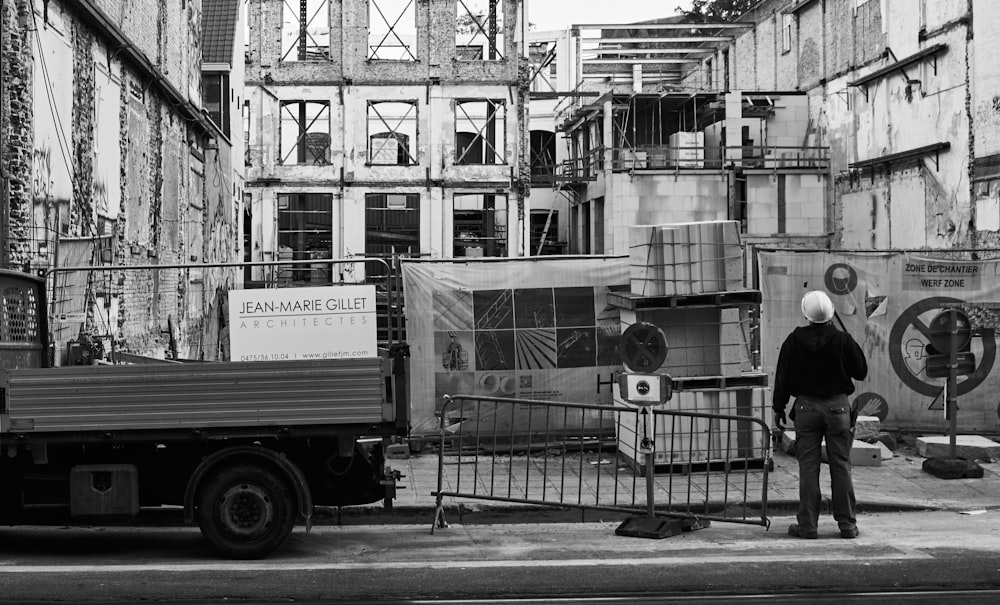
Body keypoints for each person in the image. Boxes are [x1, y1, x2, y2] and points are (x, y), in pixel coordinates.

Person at [772, 290, 868, 540]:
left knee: (808, 467)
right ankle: (847, 524)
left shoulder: (794, 340)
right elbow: (861, 371)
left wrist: (778, 407)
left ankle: (808, 525)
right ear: (832, 313)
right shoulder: (843, 340)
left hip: (806, 408)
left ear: (806, 314)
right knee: (841, 466)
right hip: (838, 408)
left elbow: (782, 377)